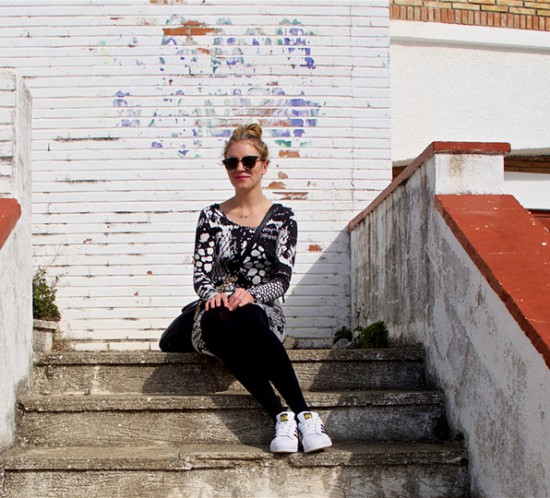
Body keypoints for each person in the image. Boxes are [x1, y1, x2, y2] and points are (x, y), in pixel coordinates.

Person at [191, 123, 332, 454]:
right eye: (232, 162)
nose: (240, 168)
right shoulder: (211, 216)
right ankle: (282, 414)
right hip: (217, 318)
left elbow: (282, 278)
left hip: (263, 315)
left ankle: (301, 413)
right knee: (217, 319)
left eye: (248, 161)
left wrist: (252, 294)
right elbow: (200, 275)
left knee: (251, 315)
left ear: (264, 166)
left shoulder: (283, 219)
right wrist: (215, 296)